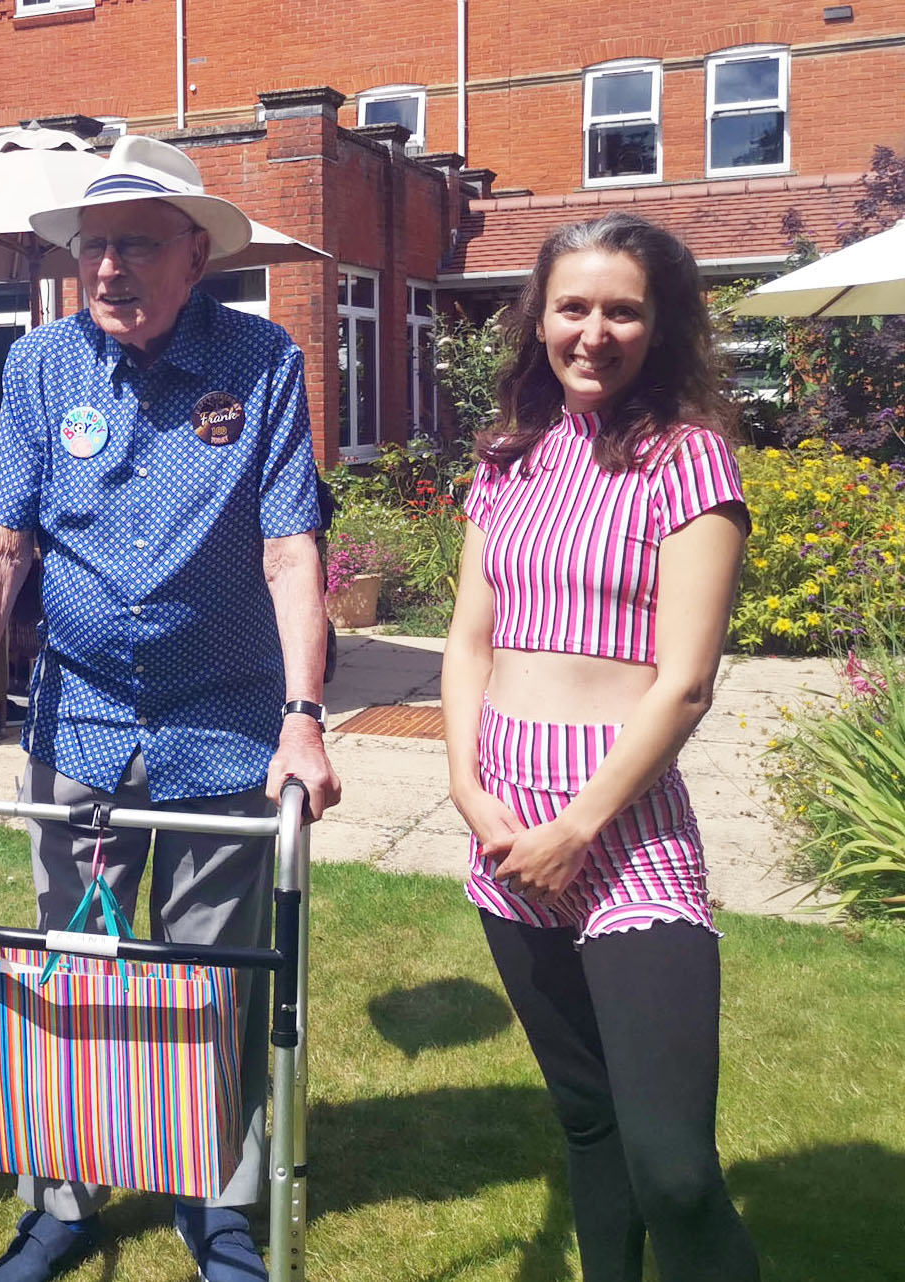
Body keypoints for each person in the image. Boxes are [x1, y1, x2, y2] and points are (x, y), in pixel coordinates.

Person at [0, 135, 341, 1282]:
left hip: (221, 722)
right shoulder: (41, 366)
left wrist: (302, 713)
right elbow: (1, 549)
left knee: (214, 974)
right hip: (81, 727)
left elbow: (292, 549)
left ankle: (216, 1199)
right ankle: (64, 1195)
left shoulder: (261, 363)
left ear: (193, 255)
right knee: (76, 957)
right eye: (92, 247)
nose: (108, 268)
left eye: (135, 246)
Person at [441, 212, 759, 1281]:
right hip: (505, 845)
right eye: (569, 307)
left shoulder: (688, 459)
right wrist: (467, 792)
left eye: (620, 309)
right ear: (535, 319)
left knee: (671, 1167)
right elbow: (468, 639)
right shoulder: (507, 457)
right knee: (586, 1124)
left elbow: (685, 682)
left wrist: (577, 826)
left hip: (625, 843)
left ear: (658, 325)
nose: (592, 331)